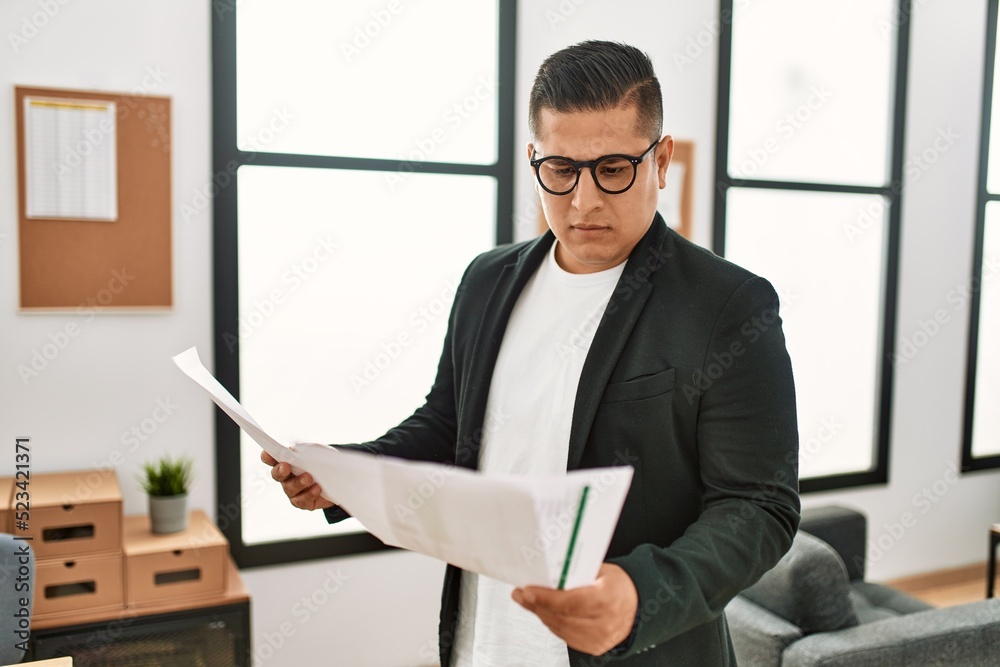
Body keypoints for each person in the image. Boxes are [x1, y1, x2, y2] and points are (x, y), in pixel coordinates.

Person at [263, 40, 799, 666]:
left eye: (615, 168)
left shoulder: (726, 305)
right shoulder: (487, 282)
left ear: (662, 160)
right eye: (562, 170)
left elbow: (758, 505)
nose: (584, 201)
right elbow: (448, 424)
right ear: (533, 159)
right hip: (485, 638)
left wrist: (638, 593)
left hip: (640, 646)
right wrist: (345, 472)